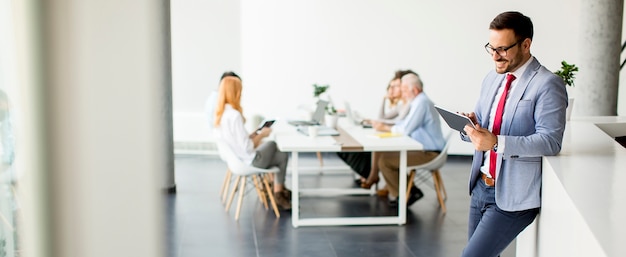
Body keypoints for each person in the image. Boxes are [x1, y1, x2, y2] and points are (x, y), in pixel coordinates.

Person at [459, 11, 567, 257]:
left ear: (526, 45)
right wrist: (471, 127)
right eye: (491, 48)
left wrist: (497, 142)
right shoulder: (492, 78)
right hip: (481, 187)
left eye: (503, 49)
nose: (495, 56)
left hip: (513, 197)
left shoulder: (548, 84)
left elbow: (550, 140)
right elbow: (486, 128)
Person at [213, 76, 292, 210]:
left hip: (237, 160)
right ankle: (278, 192)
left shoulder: (222, 115)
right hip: (250, 160)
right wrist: (262, 135)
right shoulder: (235, 116)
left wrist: (254, 133)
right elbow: (247, 147)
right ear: (235, 92)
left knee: (282, 156)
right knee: (272, 144)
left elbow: (239, 141)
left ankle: (277, 191)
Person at [372, 73, 445, 206]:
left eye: (405, 90)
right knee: (386, 157)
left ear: (415, 90)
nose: (403, 94)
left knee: (385, 161)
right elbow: (404, 125)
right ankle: (409, 191)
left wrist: (385, 128)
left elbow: (406, 129)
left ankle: (404, 196)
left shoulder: (421, 103)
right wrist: (387, 126)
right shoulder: (418, 101)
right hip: (425, 149)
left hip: (430, 153)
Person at [359, 69, 414, 189]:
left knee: (380, 149)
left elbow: (400, 123)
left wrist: (381, 124)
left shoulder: (411, 104)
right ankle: (381, 181)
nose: (392, 89)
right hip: (402, 137)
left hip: (409, 142)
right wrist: (384, 99)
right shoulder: (401, 105)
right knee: (377, 143)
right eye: (391, 86)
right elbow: (382, 118)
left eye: (395, 86)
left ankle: (377, 178)